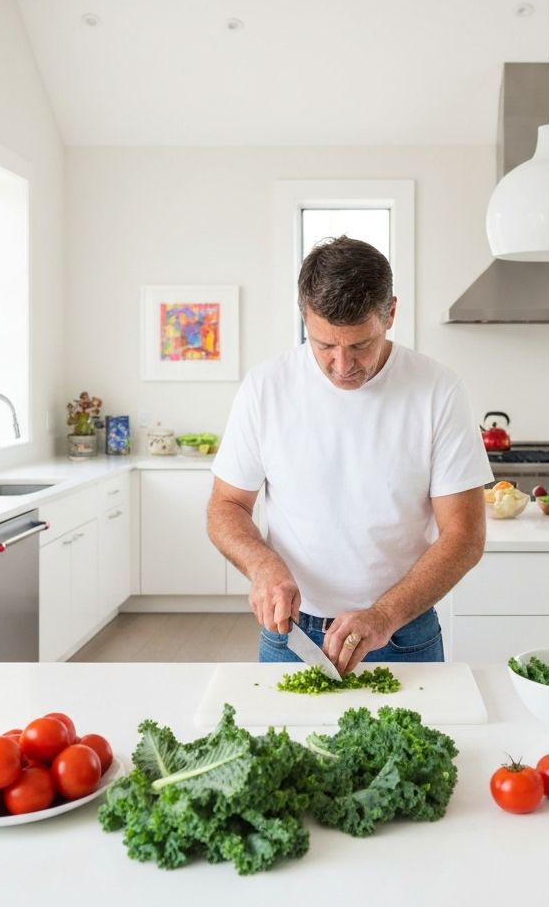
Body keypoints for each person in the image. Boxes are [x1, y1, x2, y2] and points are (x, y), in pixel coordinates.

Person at [207, 236, 492, 675]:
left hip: (402, 633)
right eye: (324, 345)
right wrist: (261, 566)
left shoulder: (439, 391)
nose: (342, 366)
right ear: (304, 317)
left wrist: (384, 616)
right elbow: (226, 505)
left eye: (360, 344)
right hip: (293, 631)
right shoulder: (265, 388)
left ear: (390, 314)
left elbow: (465, 536)